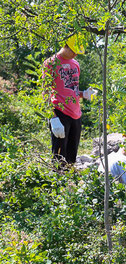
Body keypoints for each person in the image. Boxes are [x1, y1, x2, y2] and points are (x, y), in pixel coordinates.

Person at [42, 33, 95, 165]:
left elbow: (72, 89)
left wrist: (84, 94)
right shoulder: (51, 63)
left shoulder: (75, 64)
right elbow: (45, 93)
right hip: (60, 113)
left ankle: (70, 182)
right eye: (74, 51)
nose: (75, 55)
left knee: (72, 155)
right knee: (59, 156)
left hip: (76, 114)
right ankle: (58, 182)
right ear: (66, 47)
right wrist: (53, 118)